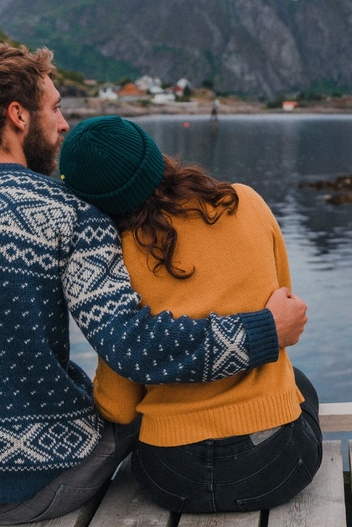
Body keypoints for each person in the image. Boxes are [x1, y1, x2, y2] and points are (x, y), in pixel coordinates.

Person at [0, 44, 307, 524]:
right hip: (37, 483)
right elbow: (135, 349)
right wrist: (263, 331)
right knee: (140, 402)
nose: (63, 125)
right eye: (55, 108)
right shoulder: (71, 214)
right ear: (18, 115)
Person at [58, 115, 323, 514]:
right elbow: (284, 307)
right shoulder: (245, 201)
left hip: (170, 474)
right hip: (277, 463)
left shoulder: (115, 260)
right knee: (301, 384)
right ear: (152, 154)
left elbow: (119, 406)